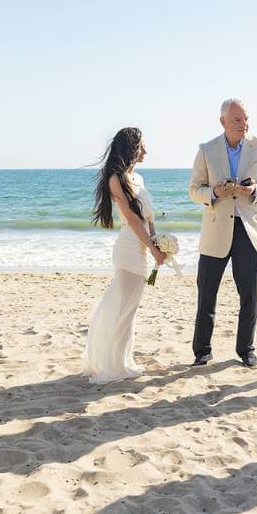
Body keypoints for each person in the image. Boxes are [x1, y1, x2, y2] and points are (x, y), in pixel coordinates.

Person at [189, 99, 257, 368]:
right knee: (206, 293)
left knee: (248, 294)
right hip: (216, 229)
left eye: (245, 119)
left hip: (249, 229)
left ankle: (246, 349)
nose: (244, 125)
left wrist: (255, 190)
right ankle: (202, 351)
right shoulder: (206, 150)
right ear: (223, 122)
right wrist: (214, 193)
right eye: (237, 120)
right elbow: (194, 189)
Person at [83, 128, 165, 383]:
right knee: (122, 310)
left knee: (130, 311)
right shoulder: (116, 180)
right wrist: (151, 248)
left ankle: (122, 360)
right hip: (129, 250)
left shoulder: (138, 178)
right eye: (142, 146)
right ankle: (113, 365)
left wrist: (158, 244)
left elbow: (148, 217)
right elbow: (131, 218)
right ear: (132, 148)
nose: (146, 151)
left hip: (141, 248)